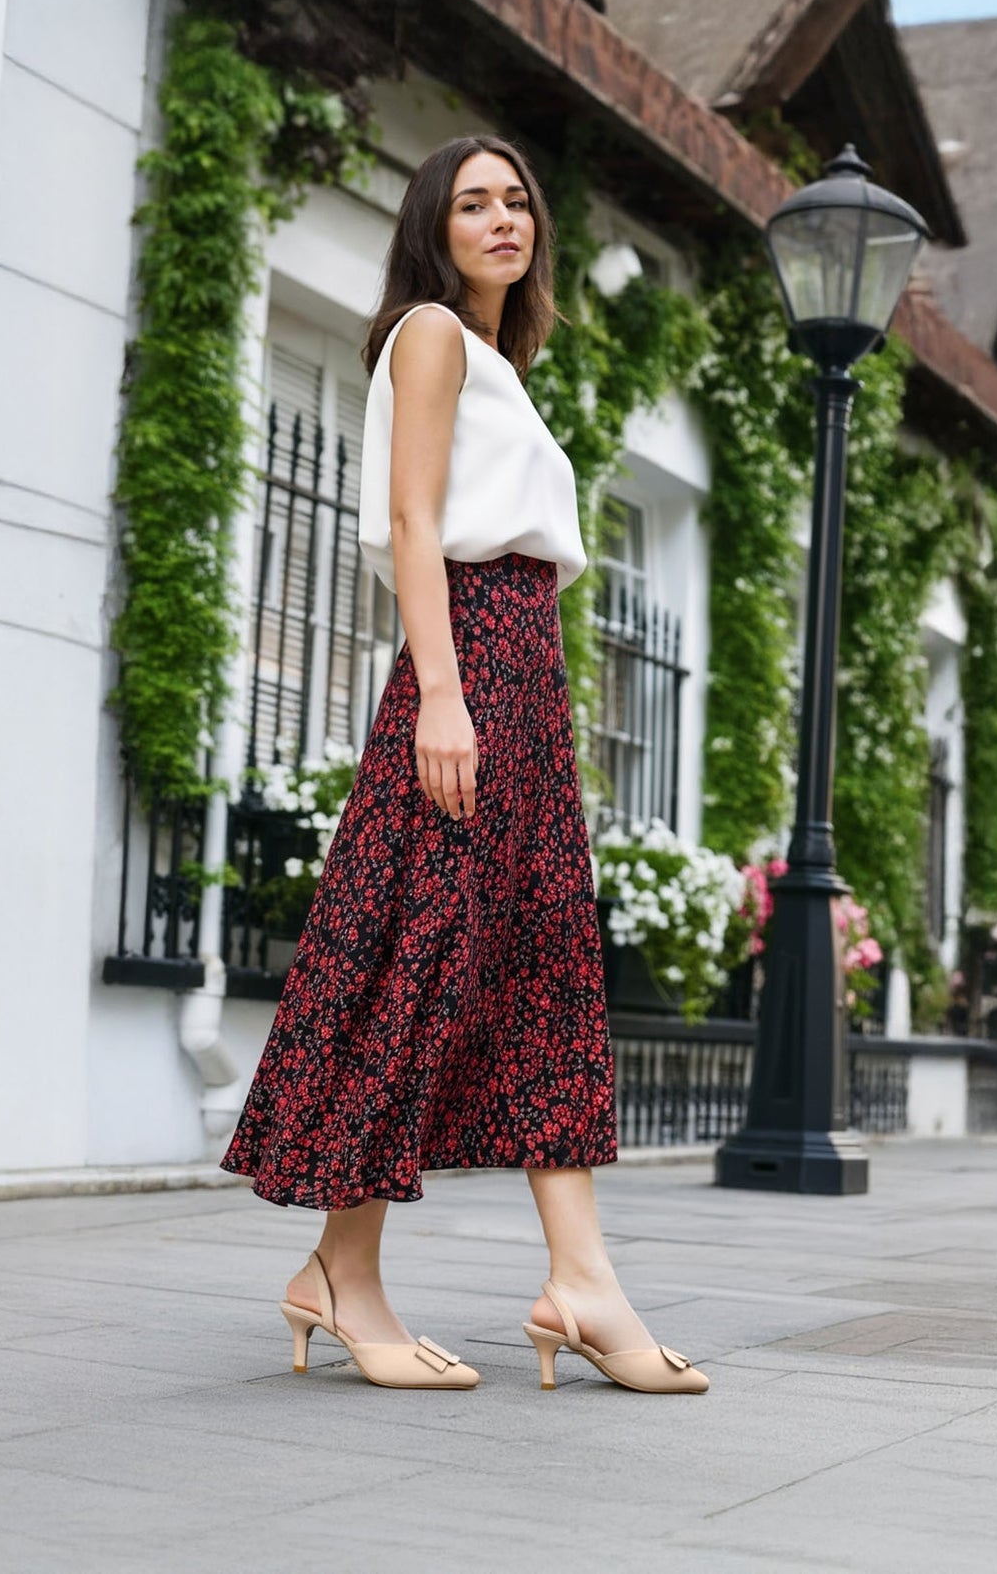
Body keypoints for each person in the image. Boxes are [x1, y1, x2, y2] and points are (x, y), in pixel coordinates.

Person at [219, 134, 707, 1396]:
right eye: (472, 203)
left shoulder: (498, 357)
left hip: (523, 663)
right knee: (423, 947)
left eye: (517, 201)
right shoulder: (430, 330)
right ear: (433, 228)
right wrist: (440, 693)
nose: (503, 219)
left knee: (544, 954)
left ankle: (580, 1280)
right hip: (473, 657)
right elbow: (412, 522)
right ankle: (344, 1271)